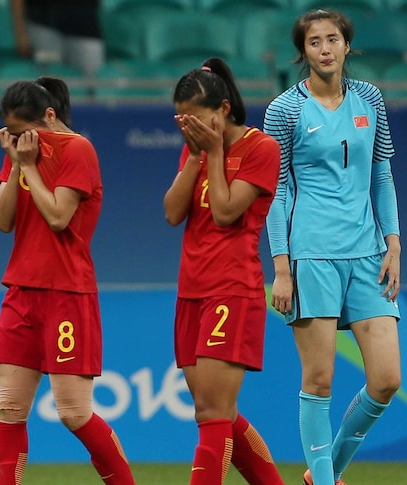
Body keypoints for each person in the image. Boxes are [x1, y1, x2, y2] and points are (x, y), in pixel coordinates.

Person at [264, 9, 401, 485]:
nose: (325, 48)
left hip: (367, 255)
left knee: (387, 379)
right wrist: (281, 267)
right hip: (310, 256)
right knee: (319, 382)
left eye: (333, 39)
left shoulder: (371, 99)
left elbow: (381, 174)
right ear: (303, 52)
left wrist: (393, 242)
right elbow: (276, 192)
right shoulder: (283, 110)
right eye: (315, 42)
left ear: (347, 46)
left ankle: (324, 473)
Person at [0, 76, 135, 485]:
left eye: (23, 130)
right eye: (11, 131)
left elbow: (57, 216)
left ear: (49, 116)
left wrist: (28, 167)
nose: (17, 139)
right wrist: (17, 164)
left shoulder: (78, 150)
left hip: (67, 292)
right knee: (9, 409)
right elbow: (3, 221)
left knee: (74, 413)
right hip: (21, 290)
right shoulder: (20, 150)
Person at [163, 58, 284, 485]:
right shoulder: (193, 148)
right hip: (191, 289)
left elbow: (226, 211)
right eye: (182, 121)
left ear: (224, 110)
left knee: (212, 414)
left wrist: (213, 153)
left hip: (231, 289)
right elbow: (173, 212)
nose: (189, 128)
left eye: (197, 120)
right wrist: (197, 155)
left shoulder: (261, 148)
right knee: (218, 413)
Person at [10, 0, 104, 77]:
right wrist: (20, 32)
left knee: (93, 80)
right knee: (47, 84)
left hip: (86, 26)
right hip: (43, 24)